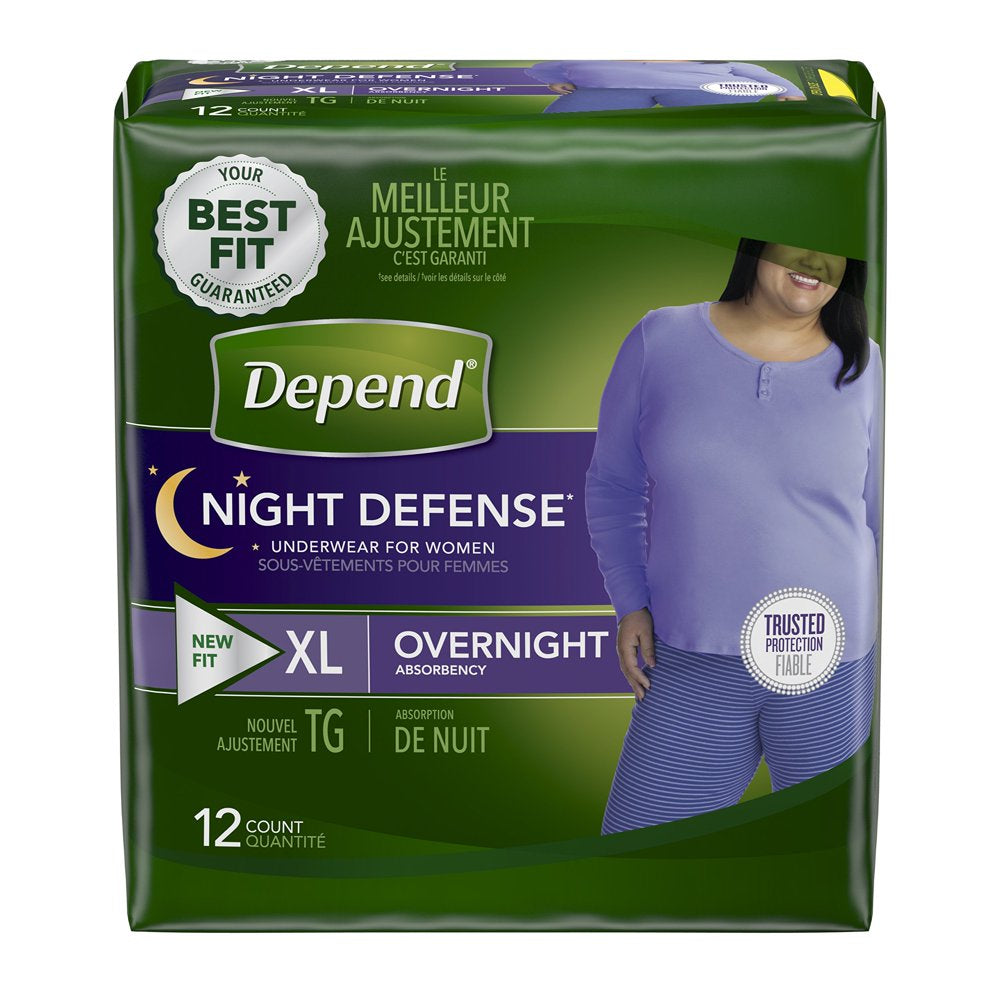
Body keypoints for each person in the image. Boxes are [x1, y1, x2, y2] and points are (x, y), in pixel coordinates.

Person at [585, 240, 882, 835]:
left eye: (835, 247)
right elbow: (613, 484)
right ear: (758, 241)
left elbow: (885, 512)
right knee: (640, 864)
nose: (816, 261)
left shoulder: (868, 366)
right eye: (800, 238)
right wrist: (629, 601)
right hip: (688, 657)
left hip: (831, 660)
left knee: (821, 865)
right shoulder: (661, 340)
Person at [526, 60, 806, 113]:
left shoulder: (718, 64)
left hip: (703, 86)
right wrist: (555, 79)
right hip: (615, 86)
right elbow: (545, 68)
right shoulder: (594, 62)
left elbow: (755, 71)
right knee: (557, 122)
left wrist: (789, 89)